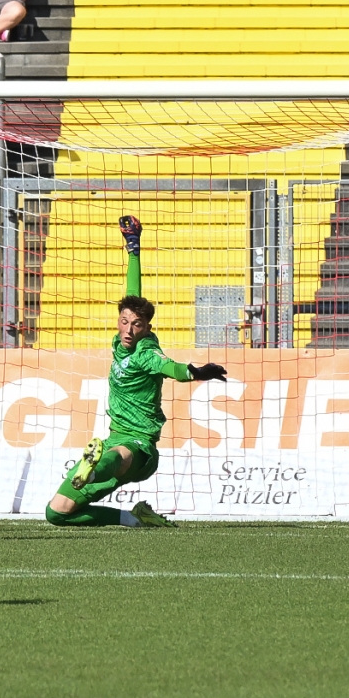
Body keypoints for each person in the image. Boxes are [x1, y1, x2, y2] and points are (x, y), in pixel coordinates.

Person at [45, 216, 222, 529]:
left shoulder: (146, 352)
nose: (128, 330)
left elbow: (170, 367)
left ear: (147, 328)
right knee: (56, 513)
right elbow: (132, 293)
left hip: (139, 448)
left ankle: (93, 469)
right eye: (124, 322)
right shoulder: (121, 340)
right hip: (113, 438)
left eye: (137, 325)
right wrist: (133, 249)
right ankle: (134, 518)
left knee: (115, 456)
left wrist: (196, 372)